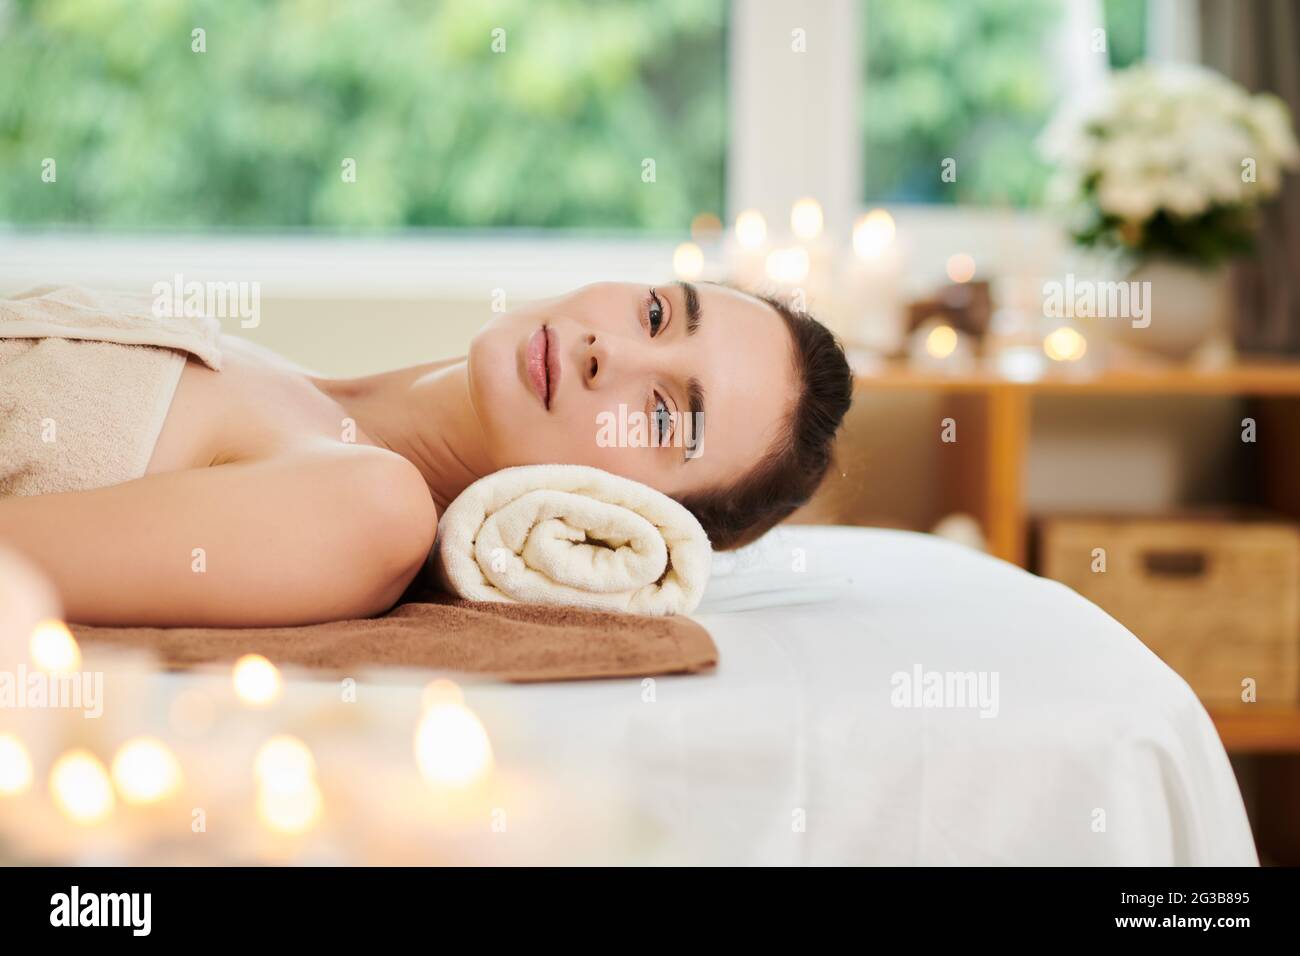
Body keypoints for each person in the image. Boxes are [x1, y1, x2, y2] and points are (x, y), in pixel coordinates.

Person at [0, 281, 852, 626]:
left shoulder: (366, 508)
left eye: (665, 419)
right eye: (660, 314)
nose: (612, 353)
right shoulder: (291, 381)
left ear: (628, 521)